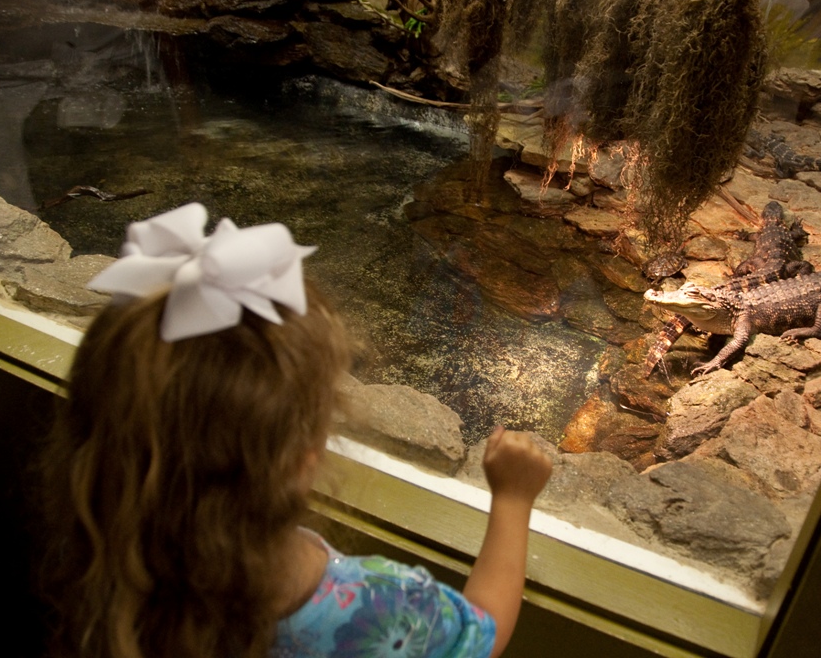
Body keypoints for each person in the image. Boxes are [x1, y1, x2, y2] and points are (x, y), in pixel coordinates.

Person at [41, 203, 553, 658]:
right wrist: (512, 499)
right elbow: (483, 632)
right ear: (302, 457)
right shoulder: (381, 609)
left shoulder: (99, 554)